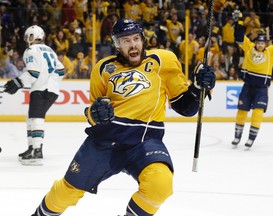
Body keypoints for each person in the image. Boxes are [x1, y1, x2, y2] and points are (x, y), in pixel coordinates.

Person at [31, 18, 215, 216]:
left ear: (143, 40)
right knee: (66, 193)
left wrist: (197, 88)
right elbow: (93, 112)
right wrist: (95, 113)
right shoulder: (103, 69)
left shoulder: (164, 60)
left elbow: (186, 108)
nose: (133, 44)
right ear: (117, 45)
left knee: (160, 184)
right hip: (104, 142)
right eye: (126, 41)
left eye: (136, 38)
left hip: (145, 142)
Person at [3, 25, 65, 165]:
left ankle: (37, 151)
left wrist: (17, 82)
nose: (26, 40)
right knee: (31, 117)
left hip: (40, 89)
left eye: (27, 37)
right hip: (51, 89)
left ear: (31, 37)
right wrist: (51, 80)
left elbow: (33, 73)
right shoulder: (50, 50)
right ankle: (32, 148)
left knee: (36, 118)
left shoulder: (30, 50)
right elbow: (61, 71)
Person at [231, 11, 273, 149]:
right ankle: (237, 136)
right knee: (242, 111)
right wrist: (239, 23)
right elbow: (239, 38)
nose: (260, 45)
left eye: (263, 43)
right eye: (258, 42)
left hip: (261, 88)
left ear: (266, 44)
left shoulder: (271, 51)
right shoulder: (249, 48)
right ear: (255, 42)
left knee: (258, 111)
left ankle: (251, 138)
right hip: (248, 85)